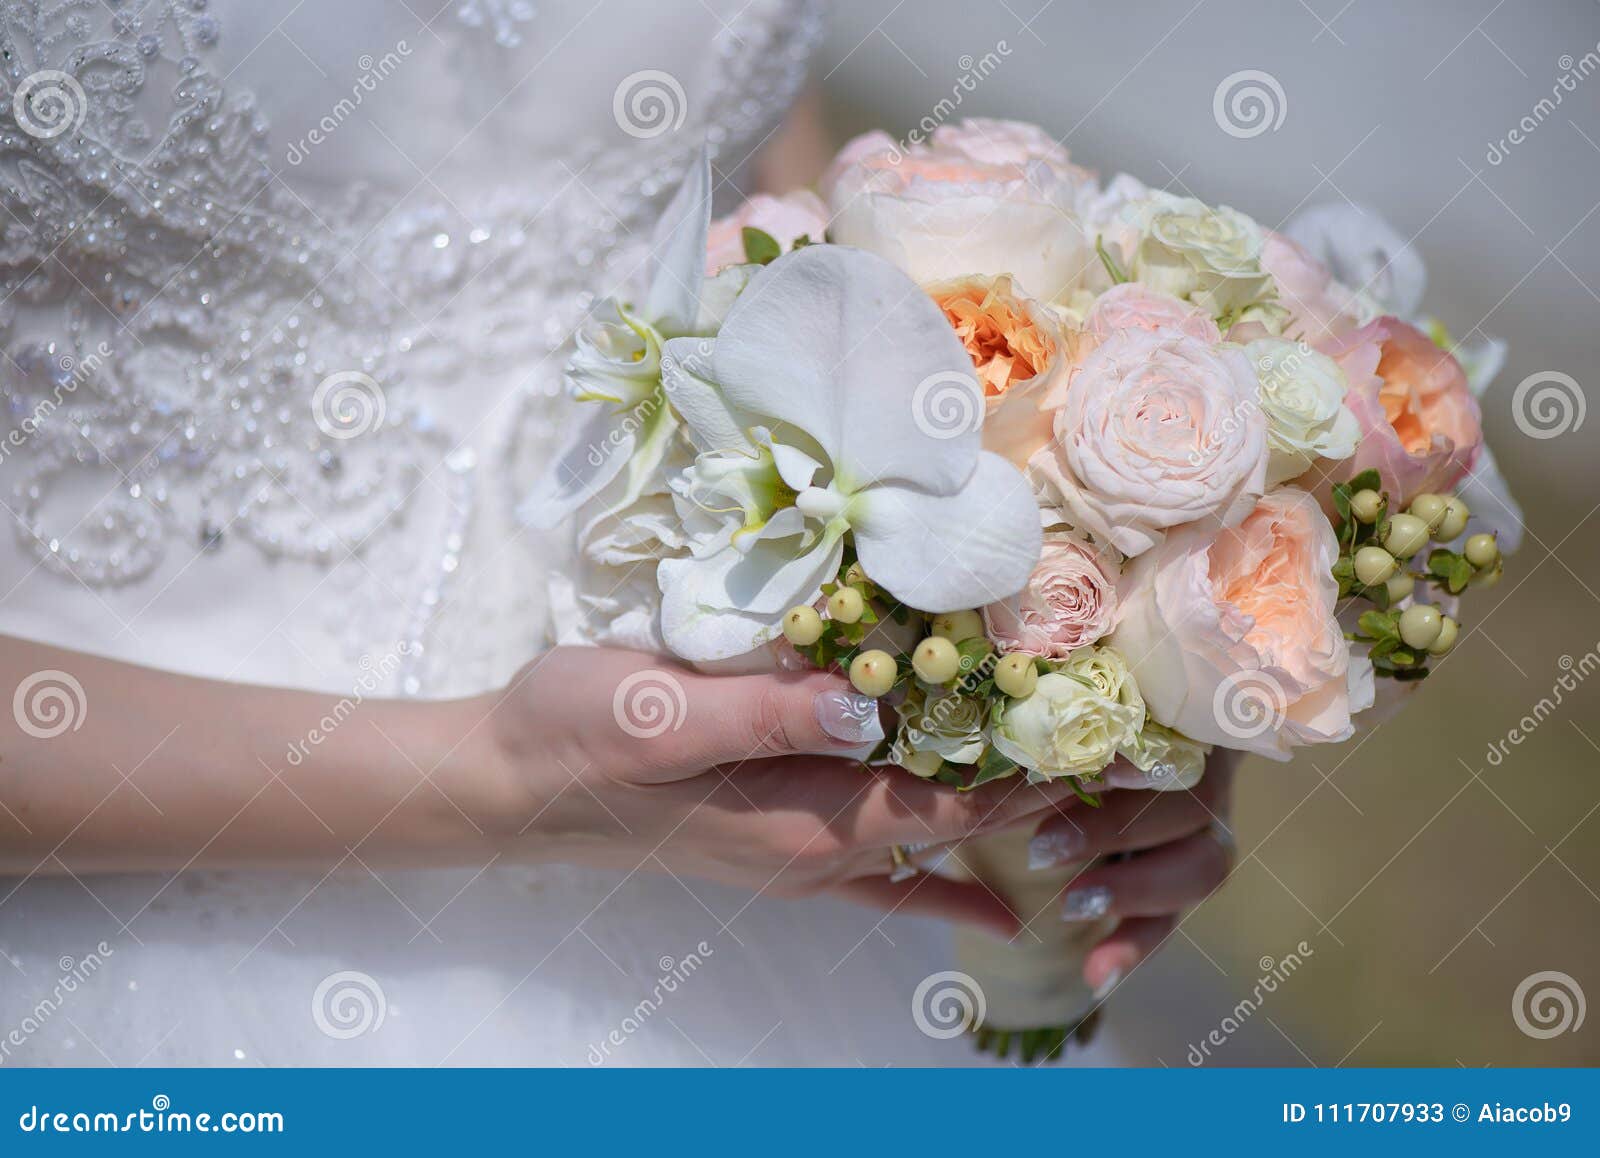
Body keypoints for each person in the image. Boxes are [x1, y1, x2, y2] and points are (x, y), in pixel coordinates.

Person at [0, 0, 1229, 1065]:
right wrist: (497, 781)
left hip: (766, 902)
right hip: (127, 898)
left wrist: (1138, 638)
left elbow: (781, 225)